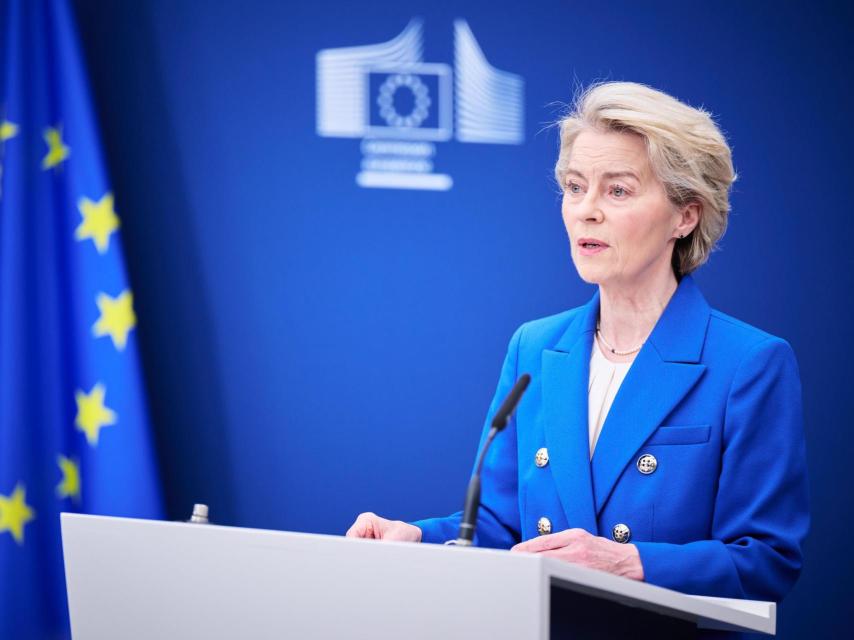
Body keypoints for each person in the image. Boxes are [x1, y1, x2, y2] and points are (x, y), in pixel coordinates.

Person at [345, 81, 809, 603]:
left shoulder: (749, 363)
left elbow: (767, 560)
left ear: (686, 214)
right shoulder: (535, 347)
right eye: (574, 186)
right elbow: (505, 526)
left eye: (618, 190)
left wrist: (628, 561)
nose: (586, 210)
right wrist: (420, 537)